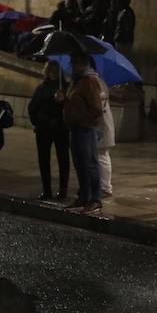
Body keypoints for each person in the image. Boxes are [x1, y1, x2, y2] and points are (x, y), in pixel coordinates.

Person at [62, 52, 104, 214]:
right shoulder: (76, 81)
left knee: (89, 164)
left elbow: (96, 108)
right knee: (80, 165)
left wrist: (81, 119)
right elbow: (75, 103)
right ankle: (84, 196)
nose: (71, 66)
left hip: (85, 129)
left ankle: (95, 199)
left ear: (82, 64)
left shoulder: (89, 81)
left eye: (74, 63)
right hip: (75, 129)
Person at [27, 61, 70, 201]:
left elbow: (33, 109)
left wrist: (62, 102)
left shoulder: (62, 89)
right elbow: (32, 109)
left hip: (54, 127)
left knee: (58, 158)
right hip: (48, 128)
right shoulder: (45, 88)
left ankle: (57, 190)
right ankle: (51, 190)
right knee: (50, 159)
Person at [95, 69, 116, 199]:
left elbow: (99, 105)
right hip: (101, 126)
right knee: (101, 156)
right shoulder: (99, 82)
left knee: (102, 155)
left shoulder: (97, 83)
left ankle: (105, 187)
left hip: (101, 127)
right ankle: (103, 185)